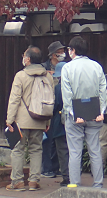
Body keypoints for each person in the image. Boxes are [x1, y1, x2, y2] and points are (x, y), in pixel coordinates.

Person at [5, 46, 54, 192]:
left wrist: (9, 119)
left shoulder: (21, 75)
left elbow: (14, 99)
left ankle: (18, 182)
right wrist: (47, 121)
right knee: (36, 150)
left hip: (21, 121)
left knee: (18, 150)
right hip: (40, 119)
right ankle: (34, 181)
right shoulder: (48, 76)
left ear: (28, 59)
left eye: (24, 56)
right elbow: (50, 101)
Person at [61, 36, 107, 188]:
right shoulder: (97, 66)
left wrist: (74, 114)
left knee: (75, 151)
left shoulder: (67, 68)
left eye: (69, 49)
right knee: (95, 149)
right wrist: (102, 111)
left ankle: (75, 184)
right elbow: (102, 91)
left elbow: (67, 95)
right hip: (95, 113)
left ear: (73, 51)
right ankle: (98, 183)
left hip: (75, 115)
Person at [41, 40, 66, 179]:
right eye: (61, 52)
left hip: (60, 109)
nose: (63, 54)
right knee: (48, 142)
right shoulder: (43, 68)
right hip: (48, 108)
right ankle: (47, 168)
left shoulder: (65, 67)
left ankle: (56, 167)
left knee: (58, 140)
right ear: (53, 55)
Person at [51, 62, 70, 187]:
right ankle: (74, 174)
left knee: (62, 151)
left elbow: (55, 105)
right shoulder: (74, 84)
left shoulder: (58, 88)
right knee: (74, 149)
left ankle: (66, 176)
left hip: (59, 122)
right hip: (74, 120)